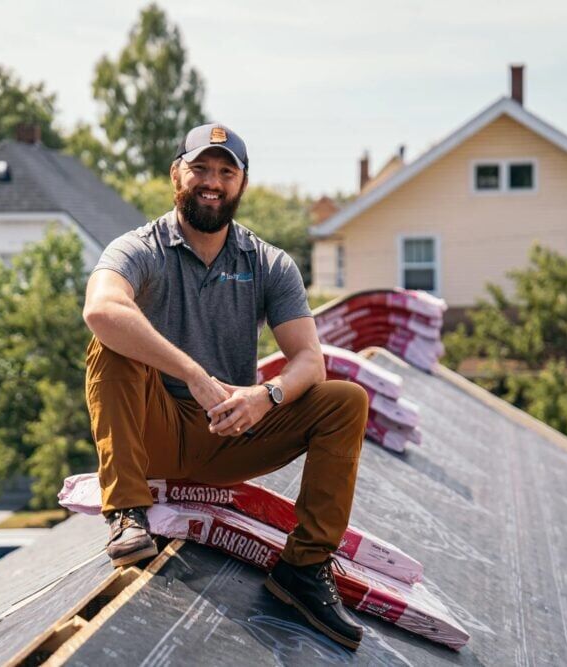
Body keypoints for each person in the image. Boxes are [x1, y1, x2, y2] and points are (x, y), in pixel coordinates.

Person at [82, 122, 369, 650]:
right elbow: (100, 308)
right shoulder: (140, 248)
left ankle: (303, 569)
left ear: (241, 184)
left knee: (345, 401)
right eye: (200, 169)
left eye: (225, 172)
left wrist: (266, 396)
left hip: (234, 429)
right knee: (112, 344)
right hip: (157, 433)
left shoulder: (268, 264)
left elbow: (309, 359)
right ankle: (127, 513)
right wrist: (192, 373)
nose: (211, 182)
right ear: (177, 175)